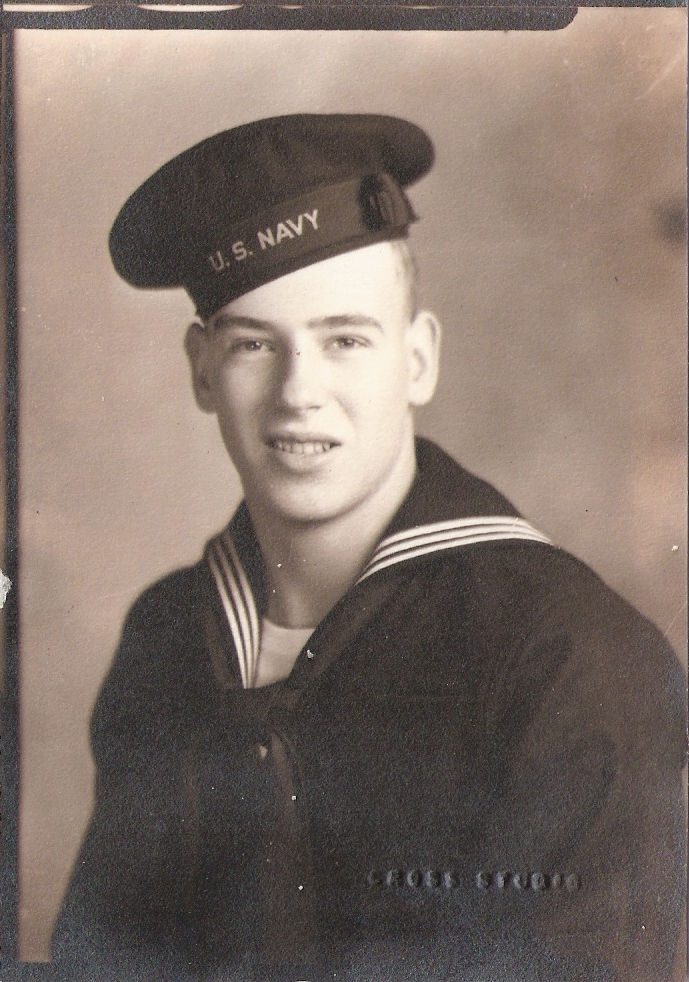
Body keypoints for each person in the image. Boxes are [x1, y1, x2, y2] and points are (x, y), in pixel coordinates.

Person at [53, 114, 686, 982]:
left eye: (344, 340)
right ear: (202, 370)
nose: (297, 393)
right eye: (252, 345)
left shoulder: (568, 653)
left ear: (417, 360)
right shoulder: (167, 636)